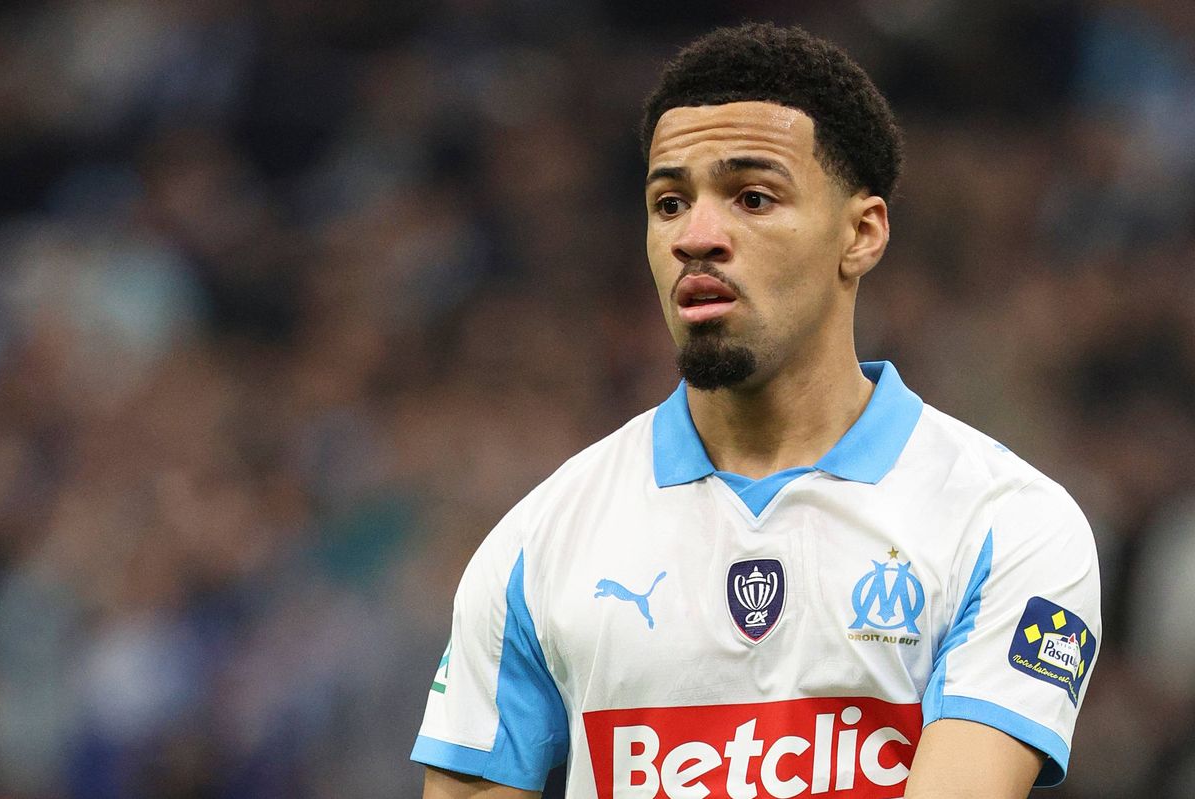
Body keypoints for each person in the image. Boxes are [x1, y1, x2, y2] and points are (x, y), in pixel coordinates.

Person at [411, 22, 1100, 799]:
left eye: (753, 197)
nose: (697, 237)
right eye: (669, 203)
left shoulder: (1009, 524)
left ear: (862, 233)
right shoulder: (534, 550)